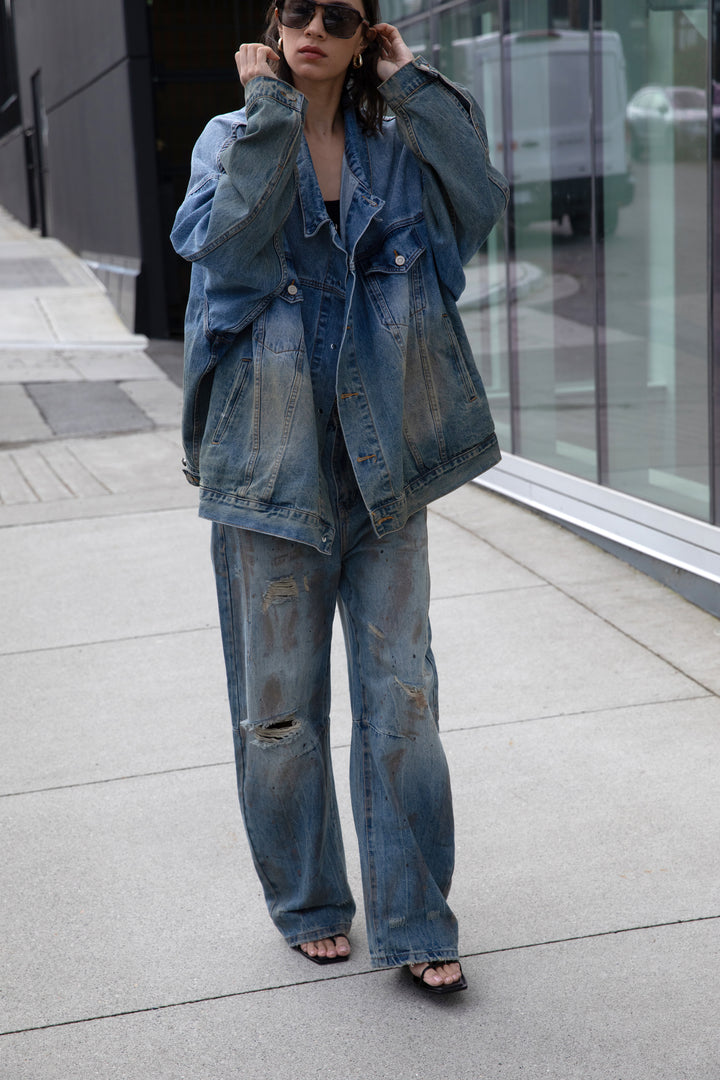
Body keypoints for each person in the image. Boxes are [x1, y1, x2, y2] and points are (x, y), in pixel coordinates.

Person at [171, 0, 508, 995]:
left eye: (341, 16)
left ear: (367, 37)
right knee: (278, 716)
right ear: (272, 26)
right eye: (296, 11)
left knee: (404, 702)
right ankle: (312, 903)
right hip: (269, 474)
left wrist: (411, 83)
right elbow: (223, 248)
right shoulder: (231, 137)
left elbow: (479, 204)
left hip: (383, 471)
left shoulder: (393, 146)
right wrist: (271, 110)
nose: (314, 27)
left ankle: (415, 920)